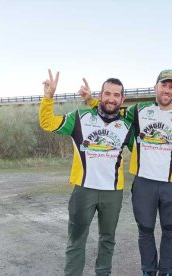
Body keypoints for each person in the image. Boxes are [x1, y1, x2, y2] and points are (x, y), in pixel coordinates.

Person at [82, 69, 172, 276]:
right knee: (145, 231)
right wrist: (90, 100)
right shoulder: (138, 110)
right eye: (163, 85)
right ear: (155, 87)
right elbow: (112, 111)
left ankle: (166, 271)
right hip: (144, 182)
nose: (167, 90)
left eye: (171, 86)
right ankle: (148, 270)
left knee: (170, 230)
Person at [39, 69, 133, 276]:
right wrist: (48, 97)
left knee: (107, 239)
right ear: (101, 96)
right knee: (76, 240)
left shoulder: (127, 125)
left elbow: (144, 151)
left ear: (122, 98)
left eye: (116, 95)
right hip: (84, 189)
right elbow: (47, 123)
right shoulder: (79, 118)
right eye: (107, 94)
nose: (111, 99)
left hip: (113, 193)